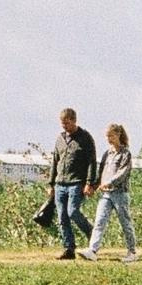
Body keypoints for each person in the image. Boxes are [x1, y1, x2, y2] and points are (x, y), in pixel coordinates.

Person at [46, 107, 98, 258]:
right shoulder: (60, 139)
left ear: (74, 121)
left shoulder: (85, 138)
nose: (65, 127)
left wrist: (89, 182)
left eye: (67, 123)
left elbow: (91, 162)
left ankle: (92, 234)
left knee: (72, 212)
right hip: (60, 183)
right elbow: (55, 162)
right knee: (62, 217)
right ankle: (69, 249)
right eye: (63, 124)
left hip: (77, 182)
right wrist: (51, 184)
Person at [87, 122, 137, 260]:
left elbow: (123, 173)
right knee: (99, 221)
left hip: (120, 193)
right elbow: (101, 172)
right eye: (107, 136)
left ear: (118, 135)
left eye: (111, 136)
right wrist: (94, 185)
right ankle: (92, 250)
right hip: (106, 194)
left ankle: (132, 252)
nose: (109, 139)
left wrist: (110, 182)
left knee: (125, 222)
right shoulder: (107, 154)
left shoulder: (125, 154)